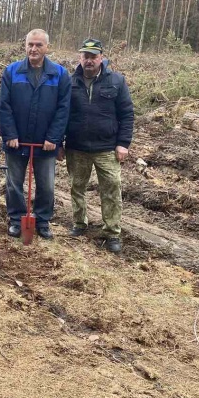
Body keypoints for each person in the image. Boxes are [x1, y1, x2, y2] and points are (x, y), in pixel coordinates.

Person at [58, 38, 134, 253]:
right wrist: (58, 143)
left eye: (93, 56)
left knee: (111, 189)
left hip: (107, 148)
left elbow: (127, 114)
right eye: (85, 56)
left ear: (101, 58)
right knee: (76, 187)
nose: (89, 60)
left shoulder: (117, 81)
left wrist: (123, 144)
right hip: (76, 147)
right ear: (80, 58)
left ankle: (112, 232)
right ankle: (79, 224)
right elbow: (61, 114)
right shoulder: (69, 82)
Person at [0, 29, 70, 239]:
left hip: (45, 143)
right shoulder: (12, 71)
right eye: (30, 44)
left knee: (46, 185)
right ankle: (16, 219)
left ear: (47, 47)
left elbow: (63, 109)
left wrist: (53, 138)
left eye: (38, 45)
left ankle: (43, 220)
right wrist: (9, 134)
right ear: (25, 45)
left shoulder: (59, 74)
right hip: (16, 142)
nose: (33, 49)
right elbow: (4, 106)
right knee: (14, 183)